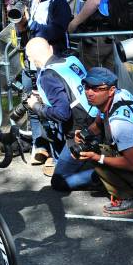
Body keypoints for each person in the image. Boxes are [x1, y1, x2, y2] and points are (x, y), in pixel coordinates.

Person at [71, 67, 133, 215]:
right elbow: (100, 120)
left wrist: (98, 158)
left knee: (95, 155)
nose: (89, 92)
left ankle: (130, 197)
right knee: (99, 148)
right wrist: (86, 133)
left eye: (97, 89)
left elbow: (131, 164)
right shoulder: (121, 94)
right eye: (87, 87)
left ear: (111, 90)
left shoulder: (119, 123)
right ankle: (128, 184)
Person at [23, 38, 98, 181]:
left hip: (81, 131)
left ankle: (100, 175)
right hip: (96, 118)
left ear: (30, 59)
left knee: (59, 180)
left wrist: (36, 106)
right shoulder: (70, 60)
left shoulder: (47, 76)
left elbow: (62, 114)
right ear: (50, 48)